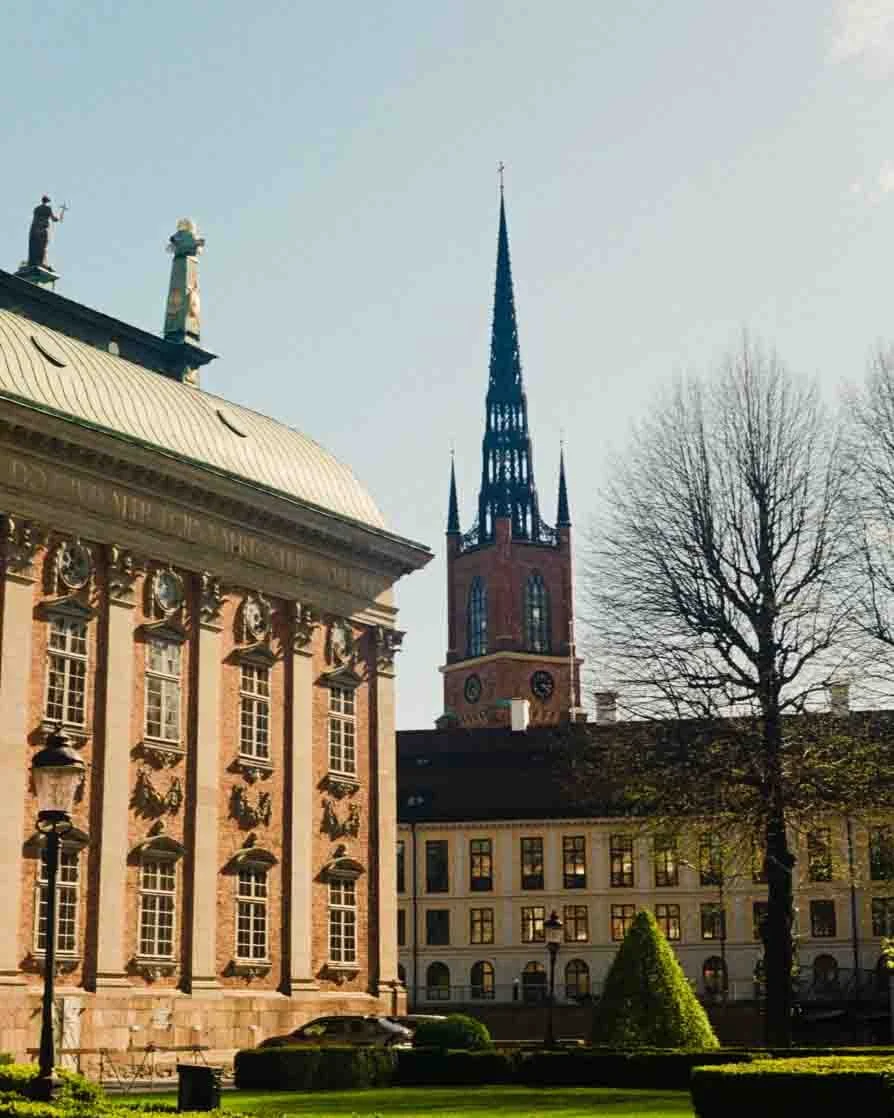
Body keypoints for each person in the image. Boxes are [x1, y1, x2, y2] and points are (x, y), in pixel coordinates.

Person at [28, 196, 61, 269]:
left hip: (34, 228)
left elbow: (35, 219)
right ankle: (41, 262)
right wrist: (58, 218)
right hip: (43, 228)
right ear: (47, 201)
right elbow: (53, 219)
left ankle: (34, 261)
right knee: (43, 246)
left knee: (35, 245)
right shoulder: (48, 208)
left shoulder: (36, 208)